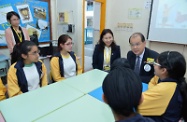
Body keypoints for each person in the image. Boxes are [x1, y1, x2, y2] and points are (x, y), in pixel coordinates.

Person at [138, 51, 187, 121]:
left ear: (163, 70)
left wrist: (153, 92)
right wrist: (153, 92)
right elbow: (153, 81)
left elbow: (137, 105)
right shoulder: (173, 81)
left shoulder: (165, 89)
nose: (154, 65)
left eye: (156, 63)